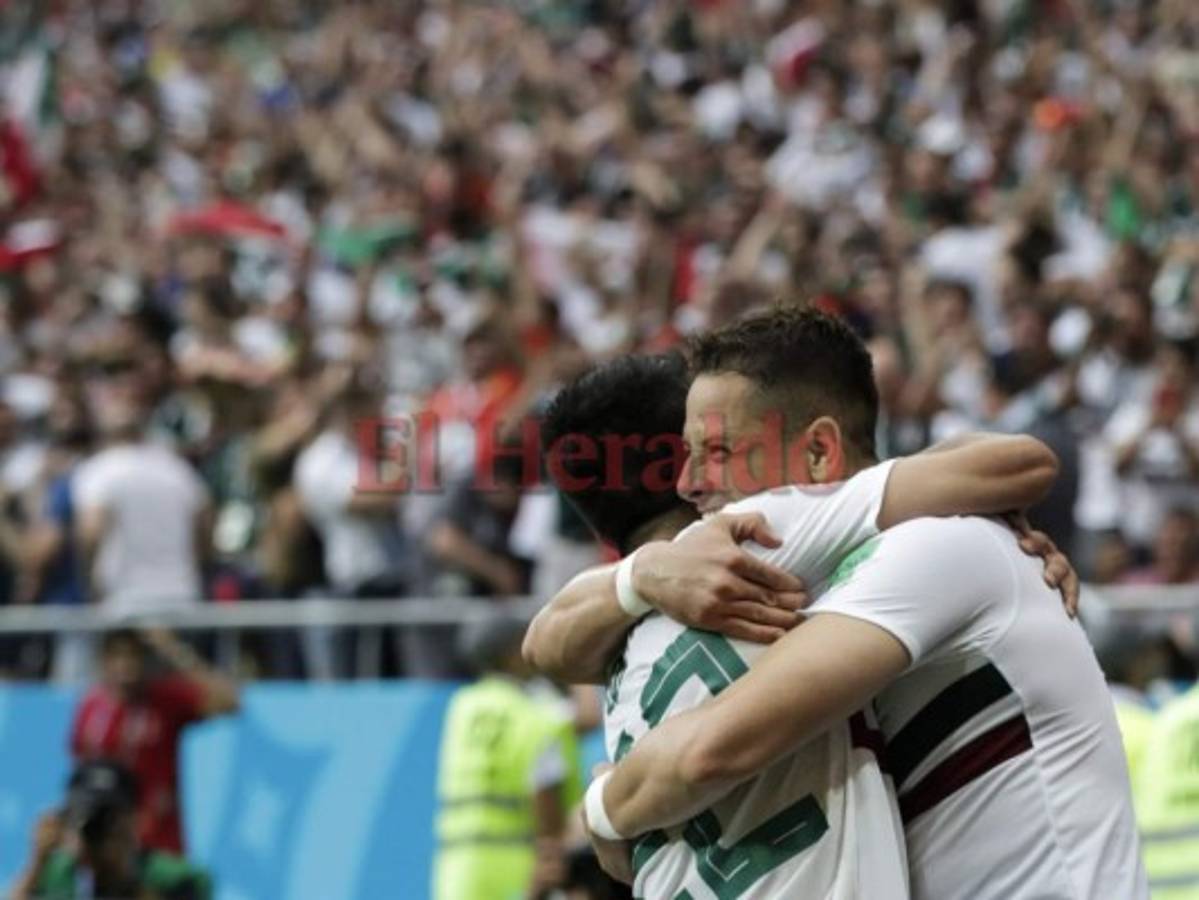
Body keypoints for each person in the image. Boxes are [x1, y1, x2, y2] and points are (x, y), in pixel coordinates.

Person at [536, 309, 1144, 898]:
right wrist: (645, 573)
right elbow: (549, 638)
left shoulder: (934, 545)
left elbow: (711, 747)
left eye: (716, 452)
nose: (689, 484)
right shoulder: (783, 573)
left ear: (822, 453)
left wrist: (601, 810)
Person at [433, 608, 580, 900]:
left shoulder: (462, 707)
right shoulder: (536, 715)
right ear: (513, 653)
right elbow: (546, 794)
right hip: (518, 870)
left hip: (457, 867)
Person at [70, 628, 240, 855]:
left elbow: (229, 702)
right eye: (117, 656)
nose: (125, 665)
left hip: (159, 843)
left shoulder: (163, 699)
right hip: (106, 853)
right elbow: (79, 775)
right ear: (104, 661)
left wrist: (174, 650)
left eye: (133, 656)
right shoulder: (91, 708)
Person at [73, 399, 212, 618]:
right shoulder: (176, 468)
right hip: (182, 595)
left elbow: (91, 532)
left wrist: (89, 582)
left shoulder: (99, 470)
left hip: (123, 600)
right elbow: (204, 526)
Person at [11, 759, 213, 900]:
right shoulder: (56, 874)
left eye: (111, 816)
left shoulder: (175, 876)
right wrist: (36, 864)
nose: (100, 826)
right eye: (85, 812)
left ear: (136, 819)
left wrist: (122, 878)